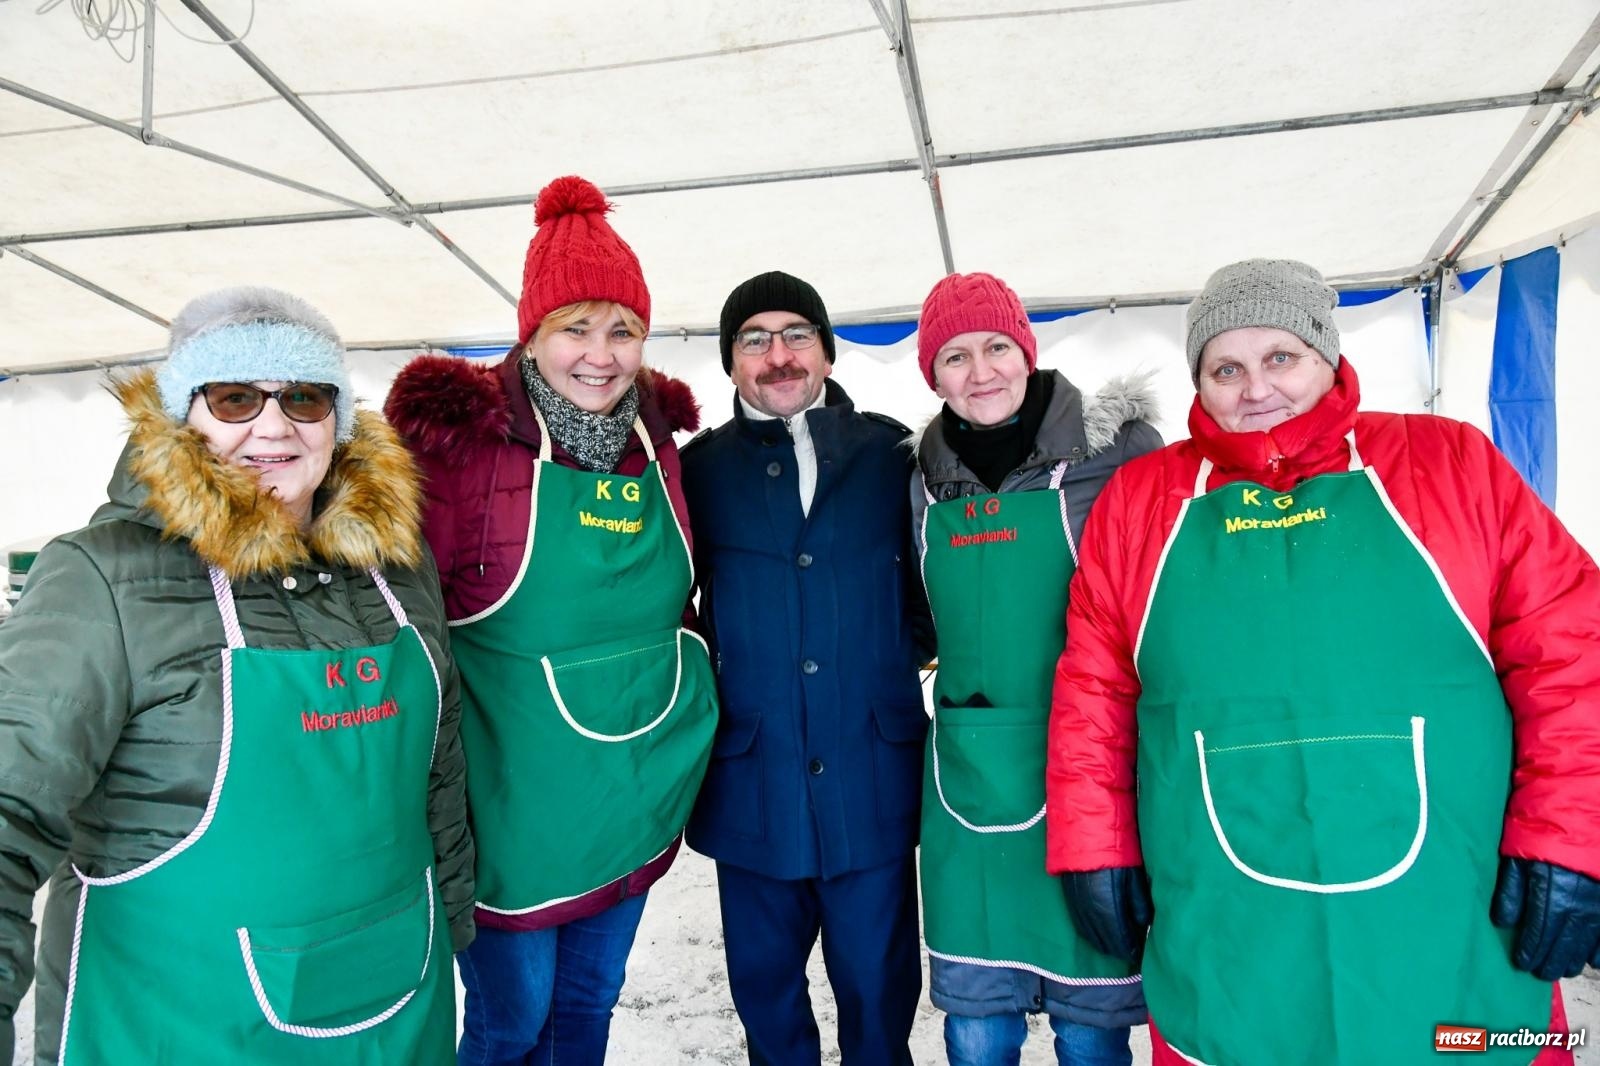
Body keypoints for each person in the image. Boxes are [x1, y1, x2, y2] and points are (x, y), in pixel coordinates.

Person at [1047, 258, 1600, 1065]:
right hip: (1222, 897)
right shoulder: (1142, 500)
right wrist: (1093, 845)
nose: (1256, 388)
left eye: (1281, 358)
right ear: (1199, 382)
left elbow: (1569, 655)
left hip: (1450, 895)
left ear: (1328, 356)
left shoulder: (1450, 462)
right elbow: (1094, 693)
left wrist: (1569, 835)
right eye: (1226, 368)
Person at [0, 287, 473, 1063]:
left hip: (397, 993)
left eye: (306, 397)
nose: (274, 425)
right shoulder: (104, 576)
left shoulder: (395, 561)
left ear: (339, 423)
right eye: (234, 398)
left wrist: (452, 915)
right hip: (178, 1018)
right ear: (185, 416)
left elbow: (438, 764)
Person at [384, 174, 716, 1066]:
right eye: (576, 327)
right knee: (512, 1022)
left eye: (623, 330)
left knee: (587, 1010)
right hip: (511, 803)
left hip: (630, 781)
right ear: (531, 333)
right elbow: (399, 625)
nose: (600, 355)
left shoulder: (659, 442)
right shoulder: (457, 451)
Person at [681, 270, 929, 1065]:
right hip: (754, 780)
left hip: (871, 771)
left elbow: (938, 578)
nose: (777, 355)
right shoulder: (697, 470)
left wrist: (894, 649)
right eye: (754, 340)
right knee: (766, 995)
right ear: (730, 364)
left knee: (879, 990)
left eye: (796, 335)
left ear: (826, 350)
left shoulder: (894, 451)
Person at [911, 272, 1157, 1066]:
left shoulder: (1117, 453)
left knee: (1091, 1029)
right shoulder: (918, 477)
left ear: (1027, 349)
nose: (980, 372)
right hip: (970, 778)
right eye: (954, 357)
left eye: (995, 347)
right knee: (978, 1028)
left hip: (1090, 766)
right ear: (932, 374)